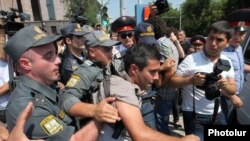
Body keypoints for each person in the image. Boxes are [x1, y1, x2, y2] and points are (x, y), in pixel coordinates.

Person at [4, 25, 117, 141]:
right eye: (48, 56)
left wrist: (94, 110)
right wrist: (100, 116)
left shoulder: (49, 85)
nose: (58, 60)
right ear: (26, 64)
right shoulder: (26, 106)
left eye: (55, 53)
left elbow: (67, 100)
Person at [97, 43, 199, 141]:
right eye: (152, 72)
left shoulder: (130, 84)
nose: (156, 77)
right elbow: (140, 135)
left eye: (158, 71)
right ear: (134, 69)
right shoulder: (121, 88)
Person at [169, 20, 237, 141]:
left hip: (218, 114)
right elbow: (172, 81)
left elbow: (233, 89)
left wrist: (225, 85)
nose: (213, 43)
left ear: (228, 43)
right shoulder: (191, 59)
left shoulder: (226, 62)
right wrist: (191, 80)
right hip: (195, 117)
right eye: (211, 38)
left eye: (219, 40)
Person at [60, 30, 121, 128]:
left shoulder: (107, 65)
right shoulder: (85, 72)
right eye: (107, 50)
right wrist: (94, 110)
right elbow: (66, 98)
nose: (111, 53)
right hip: (94, 127)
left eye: (111, 49)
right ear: (92, 52)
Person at [221, 24, 250, 124]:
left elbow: (241, 67)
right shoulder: (222, 53)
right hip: (225, 96)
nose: (238, 37)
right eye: (235, 34)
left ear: (245, 35)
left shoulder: (238, 49)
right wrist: (232, 97)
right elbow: (217, 79)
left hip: (235, 94)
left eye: (241, 34)